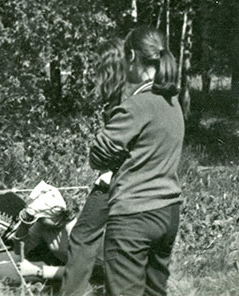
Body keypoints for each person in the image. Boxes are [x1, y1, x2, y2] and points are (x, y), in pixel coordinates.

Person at [89, 26, 184, 296]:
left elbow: (98, 154)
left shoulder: (137, 105)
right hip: (167, 212)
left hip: (134, 216)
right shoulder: (172, 102)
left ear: (131, 56)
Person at [61, 39, 128, 296]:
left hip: (116, 180)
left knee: (82, 236)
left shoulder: (123, 100)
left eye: (98, 67)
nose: (94, 73)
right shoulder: (126, 95)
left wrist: (107, 170)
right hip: (125, 178)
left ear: (109, 67)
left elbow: (120, 145)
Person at [0, 182, 76, 286]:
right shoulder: (42, 224)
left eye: (41, 217)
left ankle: (52, 285)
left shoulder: (74, 229)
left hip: (70, 270)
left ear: (56, 215)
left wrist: (37, 271)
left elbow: (80, 269)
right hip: (48, 260)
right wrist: (24, 223)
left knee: (1, 272)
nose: (38, 220)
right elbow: (20, 249)